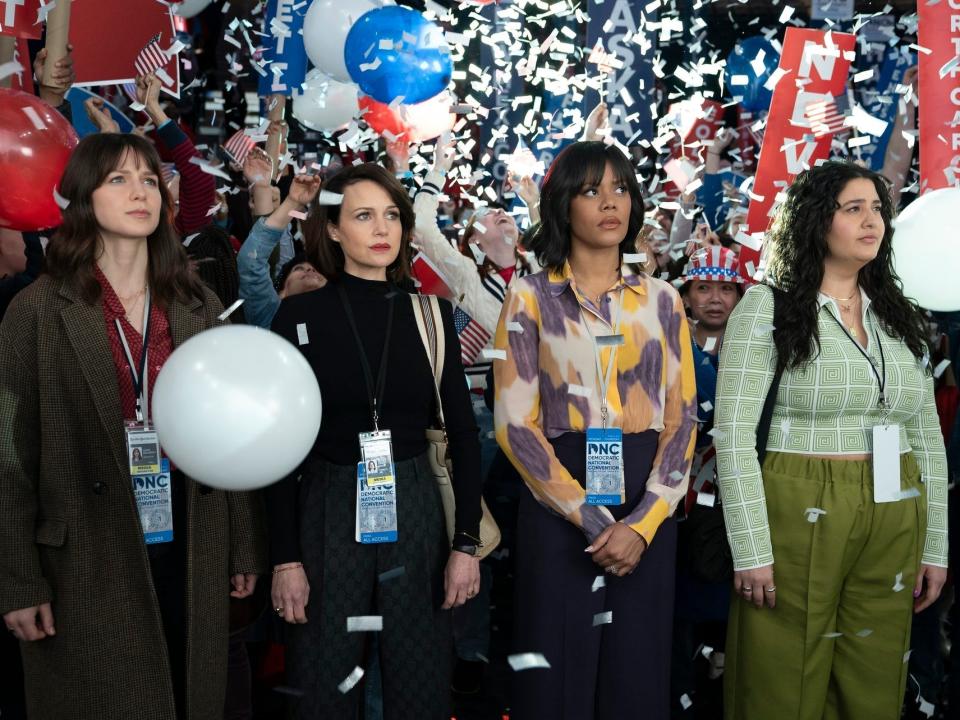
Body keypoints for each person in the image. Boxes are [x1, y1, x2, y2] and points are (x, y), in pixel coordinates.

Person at [0, 132, 266, 719]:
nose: (139, 192)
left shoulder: (195, 302)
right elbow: (9, 463)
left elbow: (232, 435)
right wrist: (18, 581)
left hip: (191, 528)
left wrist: (244, 543)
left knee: (189, 688)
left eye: (149, 178)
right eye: (118, 179)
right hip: (86, 547)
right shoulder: (37, 311)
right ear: (81, 197)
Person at [714, 160, 948, 720]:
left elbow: (927, 435)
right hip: (798, 499)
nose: (873, 221)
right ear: (818, 222)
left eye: (877, 209)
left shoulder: (899, 317)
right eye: (853, 209)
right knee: (781, 676)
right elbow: (733, 436)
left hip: (896, 501)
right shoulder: (765, 308)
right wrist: (750, 550)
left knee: (876, 667)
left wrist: (935, 545)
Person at [266, 163, 483, 719]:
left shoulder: (432, 315)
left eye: (392, 215)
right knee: (323, 681)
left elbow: (463, 433)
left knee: (421, 681)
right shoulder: (299, 315)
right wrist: (285, 559)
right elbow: (276, 450)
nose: (382, 228)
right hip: (327, 499)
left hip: (414, 501)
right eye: (364, 216)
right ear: (334, 229)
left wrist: (465, 546)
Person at [493, 140, 698, 720]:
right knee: (554, 677)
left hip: (646, 502)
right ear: (562, 204)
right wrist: (588, 515)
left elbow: (683, 420)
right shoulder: (529, 297)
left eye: (621, 189)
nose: (611, 203)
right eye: (591, 190)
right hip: (557, 499)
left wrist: (645, 520)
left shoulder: (663, 300)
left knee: (636, 674)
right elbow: (514, 424)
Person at [670, 246, 745, 713]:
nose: (715, 298)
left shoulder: (761, 348)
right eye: (703, 287)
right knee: (682, 607)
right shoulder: (670, 346)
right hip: (678, 499)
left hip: (739, 498)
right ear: (687, 293)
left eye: (725, 288)